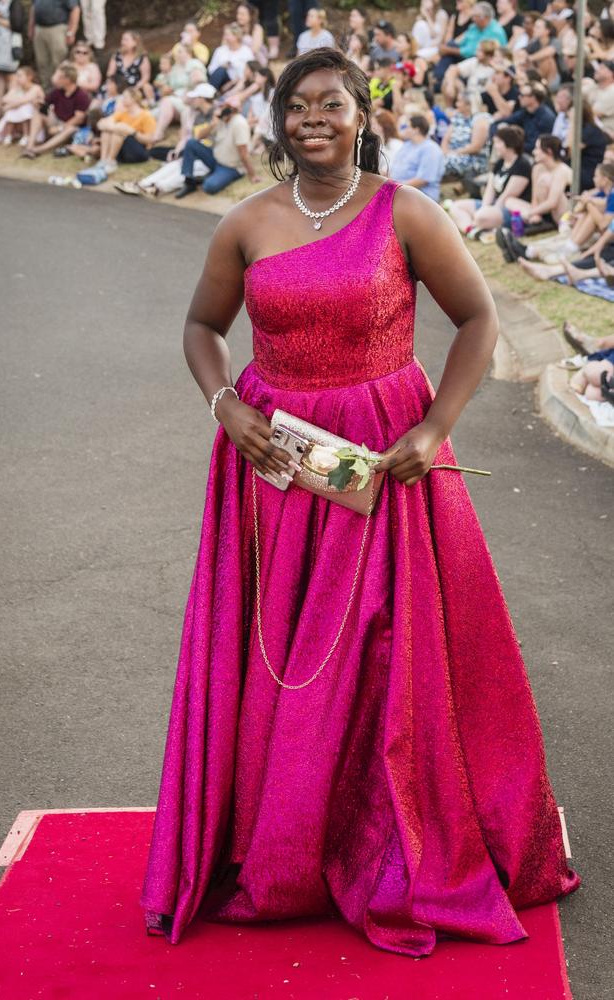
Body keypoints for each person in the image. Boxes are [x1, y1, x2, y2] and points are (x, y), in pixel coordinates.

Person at [139, 46, 580, 955]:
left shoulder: (406, 213)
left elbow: (479, 320)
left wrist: (433, 429)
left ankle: (387, 844)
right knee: (280, 653)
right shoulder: (244, 224)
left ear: (362, 116)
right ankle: (284, 842)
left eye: (332, 105)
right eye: (297, 106)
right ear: (276, 122)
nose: (314, 119)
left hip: (384, 461)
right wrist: (226, 407)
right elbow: (200, 328)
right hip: (274, 465)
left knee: (387, 648)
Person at [446, 122, 531, 234]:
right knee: (456, 206)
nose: (495, 146)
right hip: (493, 205)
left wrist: (487, 211)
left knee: (481, 216)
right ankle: (471, 230)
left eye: (498, 143)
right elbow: (490, 190)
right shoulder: (500, 163)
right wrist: (484, 206)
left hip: (508, 208)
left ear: (509, 144)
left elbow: (508, 195)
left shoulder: (522, 164)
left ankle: (478, 225)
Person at [175, 99, 261, 197]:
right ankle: (189, 182)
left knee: (208, 186)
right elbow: (199, 136)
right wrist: (212, 124)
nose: (219, 109)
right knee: (191, 143)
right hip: (216, 160)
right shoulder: (221, 121)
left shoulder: (239, 123)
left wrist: (252, 175)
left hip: (231, 167)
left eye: (223, 107)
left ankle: (213, 177)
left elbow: (244, 153)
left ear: (231, 110)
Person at [21, 59, 90, 156]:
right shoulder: (58, 91)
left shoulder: (81, 95)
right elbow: (45, 103)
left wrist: (60, 128)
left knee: (71, 128)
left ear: (68, 80)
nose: (56, 79)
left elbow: (79, 119)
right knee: (38, 111)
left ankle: (39, 150)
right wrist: (38, 103)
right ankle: (30, 146)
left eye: (60, 77)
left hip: (70, 128)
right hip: (57, 121)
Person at [389, 112, 445, 200]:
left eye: (407, 127)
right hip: (400, 191)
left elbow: (422, 180)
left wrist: (394, 188)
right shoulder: (407, 145)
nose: (404, 130)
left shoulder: (431, 149)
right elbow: (394, 167)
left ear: (416, 130)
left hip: (421, 196)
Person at [491, 80, 556, 153]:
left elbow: (534, 145)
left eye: (522, 95)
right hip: (521, 149)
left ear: (533, 97)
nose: (519, 97)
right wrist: (497, 137)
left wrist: (510, 145)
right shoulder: (525, 112)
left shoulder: (546, 118)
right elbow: (497, 123)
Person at [28, 0, 80, 92]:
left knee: (58, 62)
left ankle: (58, 91)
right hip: (39, 28)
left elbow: (75, 9)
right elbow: (33, 8)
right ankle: (46, 91)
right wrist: (31, 27)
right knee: (42, 62)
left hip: (57, 28)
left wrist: (71, 32)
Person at [440, 89, 492, 179]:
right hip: (452, 155)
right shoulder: (458, 117)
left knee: (437, 164)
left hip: (472, 159)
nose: (456, 104)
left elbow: (475, 147)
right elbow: (446, 139)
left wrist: (453, 153)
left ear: (469, 105)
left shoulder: (480, 120)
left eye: (459, 101)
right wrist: (444, 151)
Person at [0, 63, 44, 143]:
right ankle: (9, 135)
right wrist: (13, 104)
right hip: (19, 116)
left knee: (24, 107)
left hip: (35, 118)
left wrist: (9, 106)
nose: (17, 78)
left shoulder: (36, 88)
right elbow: (4, 99)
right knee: (16, 108)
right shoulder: (17, 88)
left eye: (20, 76)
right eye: (16, 76)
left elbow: (25, 100)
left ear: (29, 77)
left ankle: (26, 135)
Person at [105, 31, 152, 103]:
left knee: (146, 87)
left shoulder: (142, 58)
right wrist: (112, 84)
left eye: (126, 40)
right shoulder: (117, 56)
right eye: (122, 40)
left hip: (135, 86)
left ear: (135, 42)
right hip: (117, 86)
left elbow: (145, 77)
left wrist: (135, 88)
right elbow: (110, 73)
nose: (122, 42)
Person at [207, 23, 255, 92]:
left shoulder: (246, 51)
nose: (225, 37)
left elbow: (252, 69)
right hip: (221, 81)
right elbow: (210, 70)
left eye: (228, 35)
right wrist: (222, 66)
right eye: (225, 35)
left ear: (236, 36)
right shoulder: (220, 50)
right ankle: (209, 94)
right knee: (221, 70)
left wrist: (234, 81)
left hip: (239, 82)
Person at [582, 59, 614, 138]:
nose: (597, 70)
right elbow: (573, 97)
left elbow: (591, 114)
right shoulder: (594, 87)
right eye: (598, 67)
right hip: (593, 129)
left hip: (607, 133)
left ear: (611, 73)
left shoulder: (612, 91)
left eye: (602, 68)